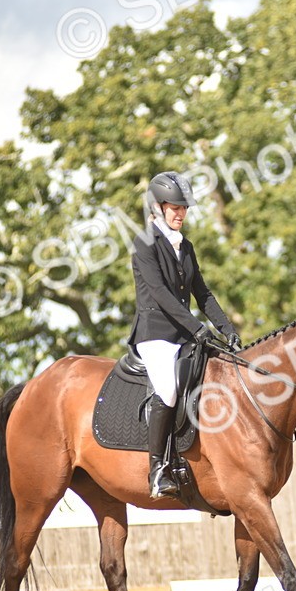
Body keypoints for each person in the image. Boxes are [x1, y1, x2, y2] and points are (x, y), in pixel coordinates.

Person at [127, 171, 241, 498]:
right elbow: (161, 294)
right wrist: (196, 328)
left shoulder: (185, 246)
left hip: (185, 335)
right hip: (156, 334)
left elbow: (202, 294)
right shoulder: (144, 242)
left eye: (184, 208)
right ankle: (157, 470)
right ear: (158, 207)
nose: (180, 213)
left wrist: (227, 329)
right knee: (168, 389)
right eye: (174, 207)